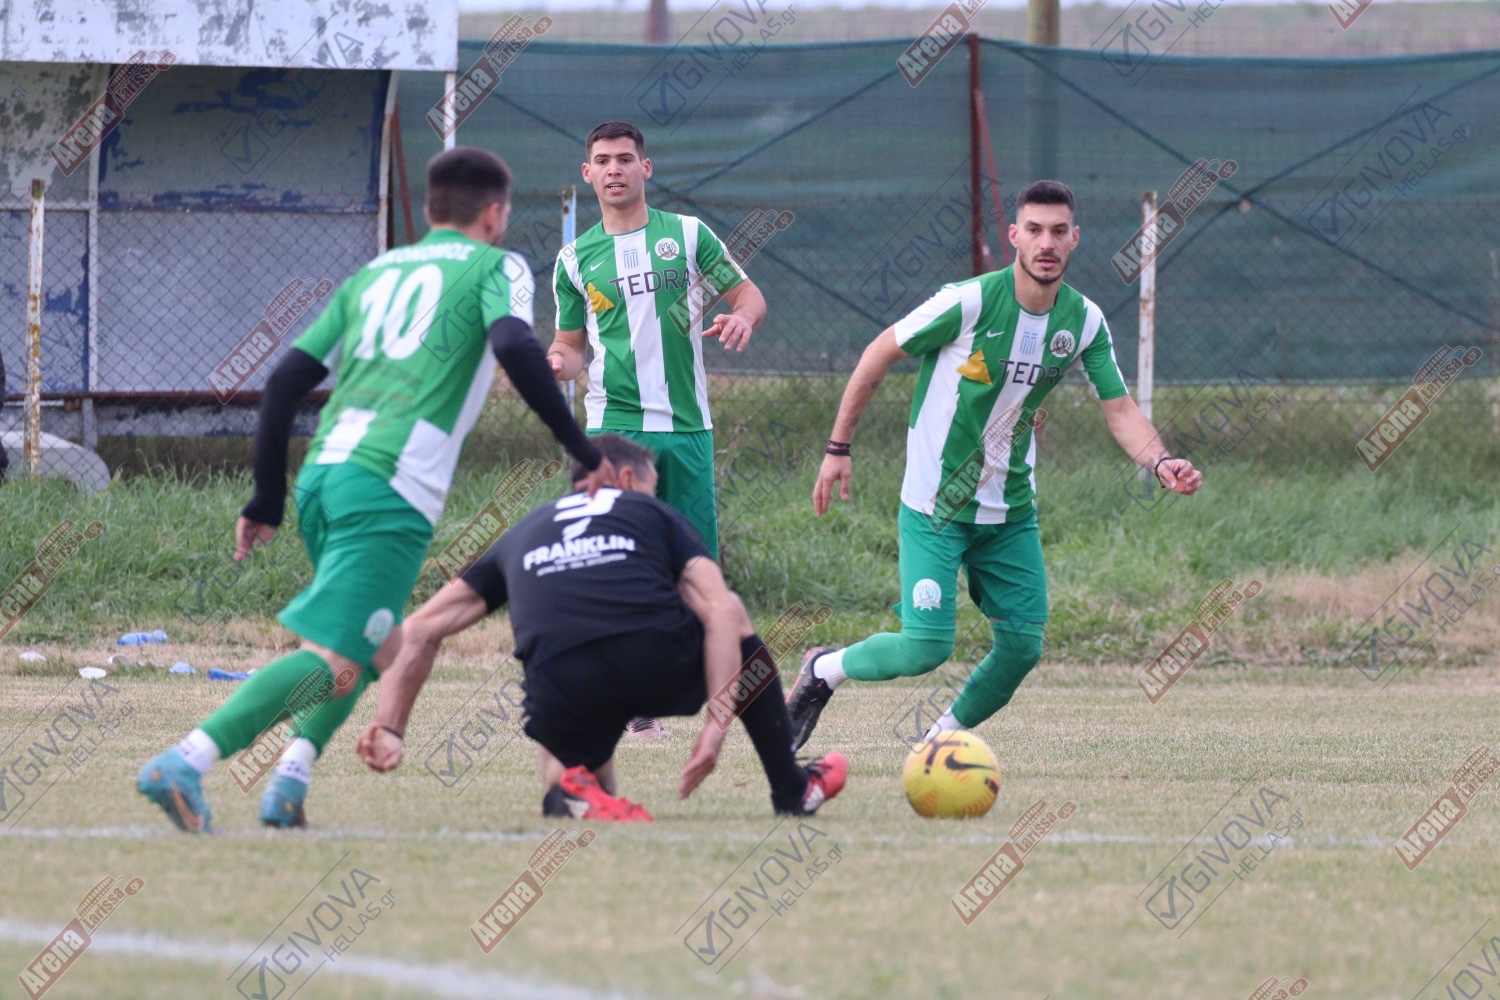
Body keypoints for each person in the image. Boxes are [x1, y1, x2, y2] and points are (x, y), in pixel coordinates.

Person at [137, 147, 613, 832]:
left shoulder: (375, 273)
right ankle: (186, 760)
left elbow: (284, 381)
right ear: (494, 214)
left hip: (324, 478)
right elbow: (514, 346)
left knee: (377, 643)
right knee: (334, 654)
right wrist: (583, 450)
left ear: (431, 208)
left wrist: (267, 497)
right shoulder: (496, 265)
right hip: (389, 486)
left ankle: (290, 782)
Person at [785, 180, 1204, 750]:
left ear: (1075, 239)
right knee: (924, 649)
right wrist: (838, 448)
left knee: (1022, 647)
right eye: (1034, 230)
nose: (1046, 243)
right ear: (1014, 236)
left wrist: (1161, 461)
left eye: (1058, 231)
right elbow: (878, 353)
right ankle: (823, 670)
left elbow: (1120, 410)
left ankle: (938, 745)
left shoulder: (1083, 321)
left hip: (1009, 513)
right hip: (935, 506)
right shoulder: (969, 302)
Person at [354, 433, 847, 822]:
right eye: (652, 487)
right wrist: (715, 729)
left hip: (561, 687)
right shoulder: (650, 512)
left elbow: (420, 629)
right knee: (733, 608)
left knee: (570, 772)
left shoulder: (525, 530)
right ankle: (791, 787)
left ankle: (569, 793)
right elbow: (722, 612)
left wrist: (391, 728)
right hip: (652, 664)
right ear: (627, 479)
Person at [547, 120, 768, 738]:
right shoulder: (574, 259)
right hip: (614, 431)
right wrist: (555, 362)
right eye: (602, 161)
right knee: (618, 565)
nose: (613, 169)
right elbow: (571, 347)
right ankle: (627, 701)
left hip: (687, 428)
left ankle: (717, 693)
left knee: (697, 571)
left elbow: (749, 296)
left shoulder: (687, 235)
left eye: (624, 159)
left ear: (646, 168)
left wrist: (743, 318)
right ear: (587, 174)